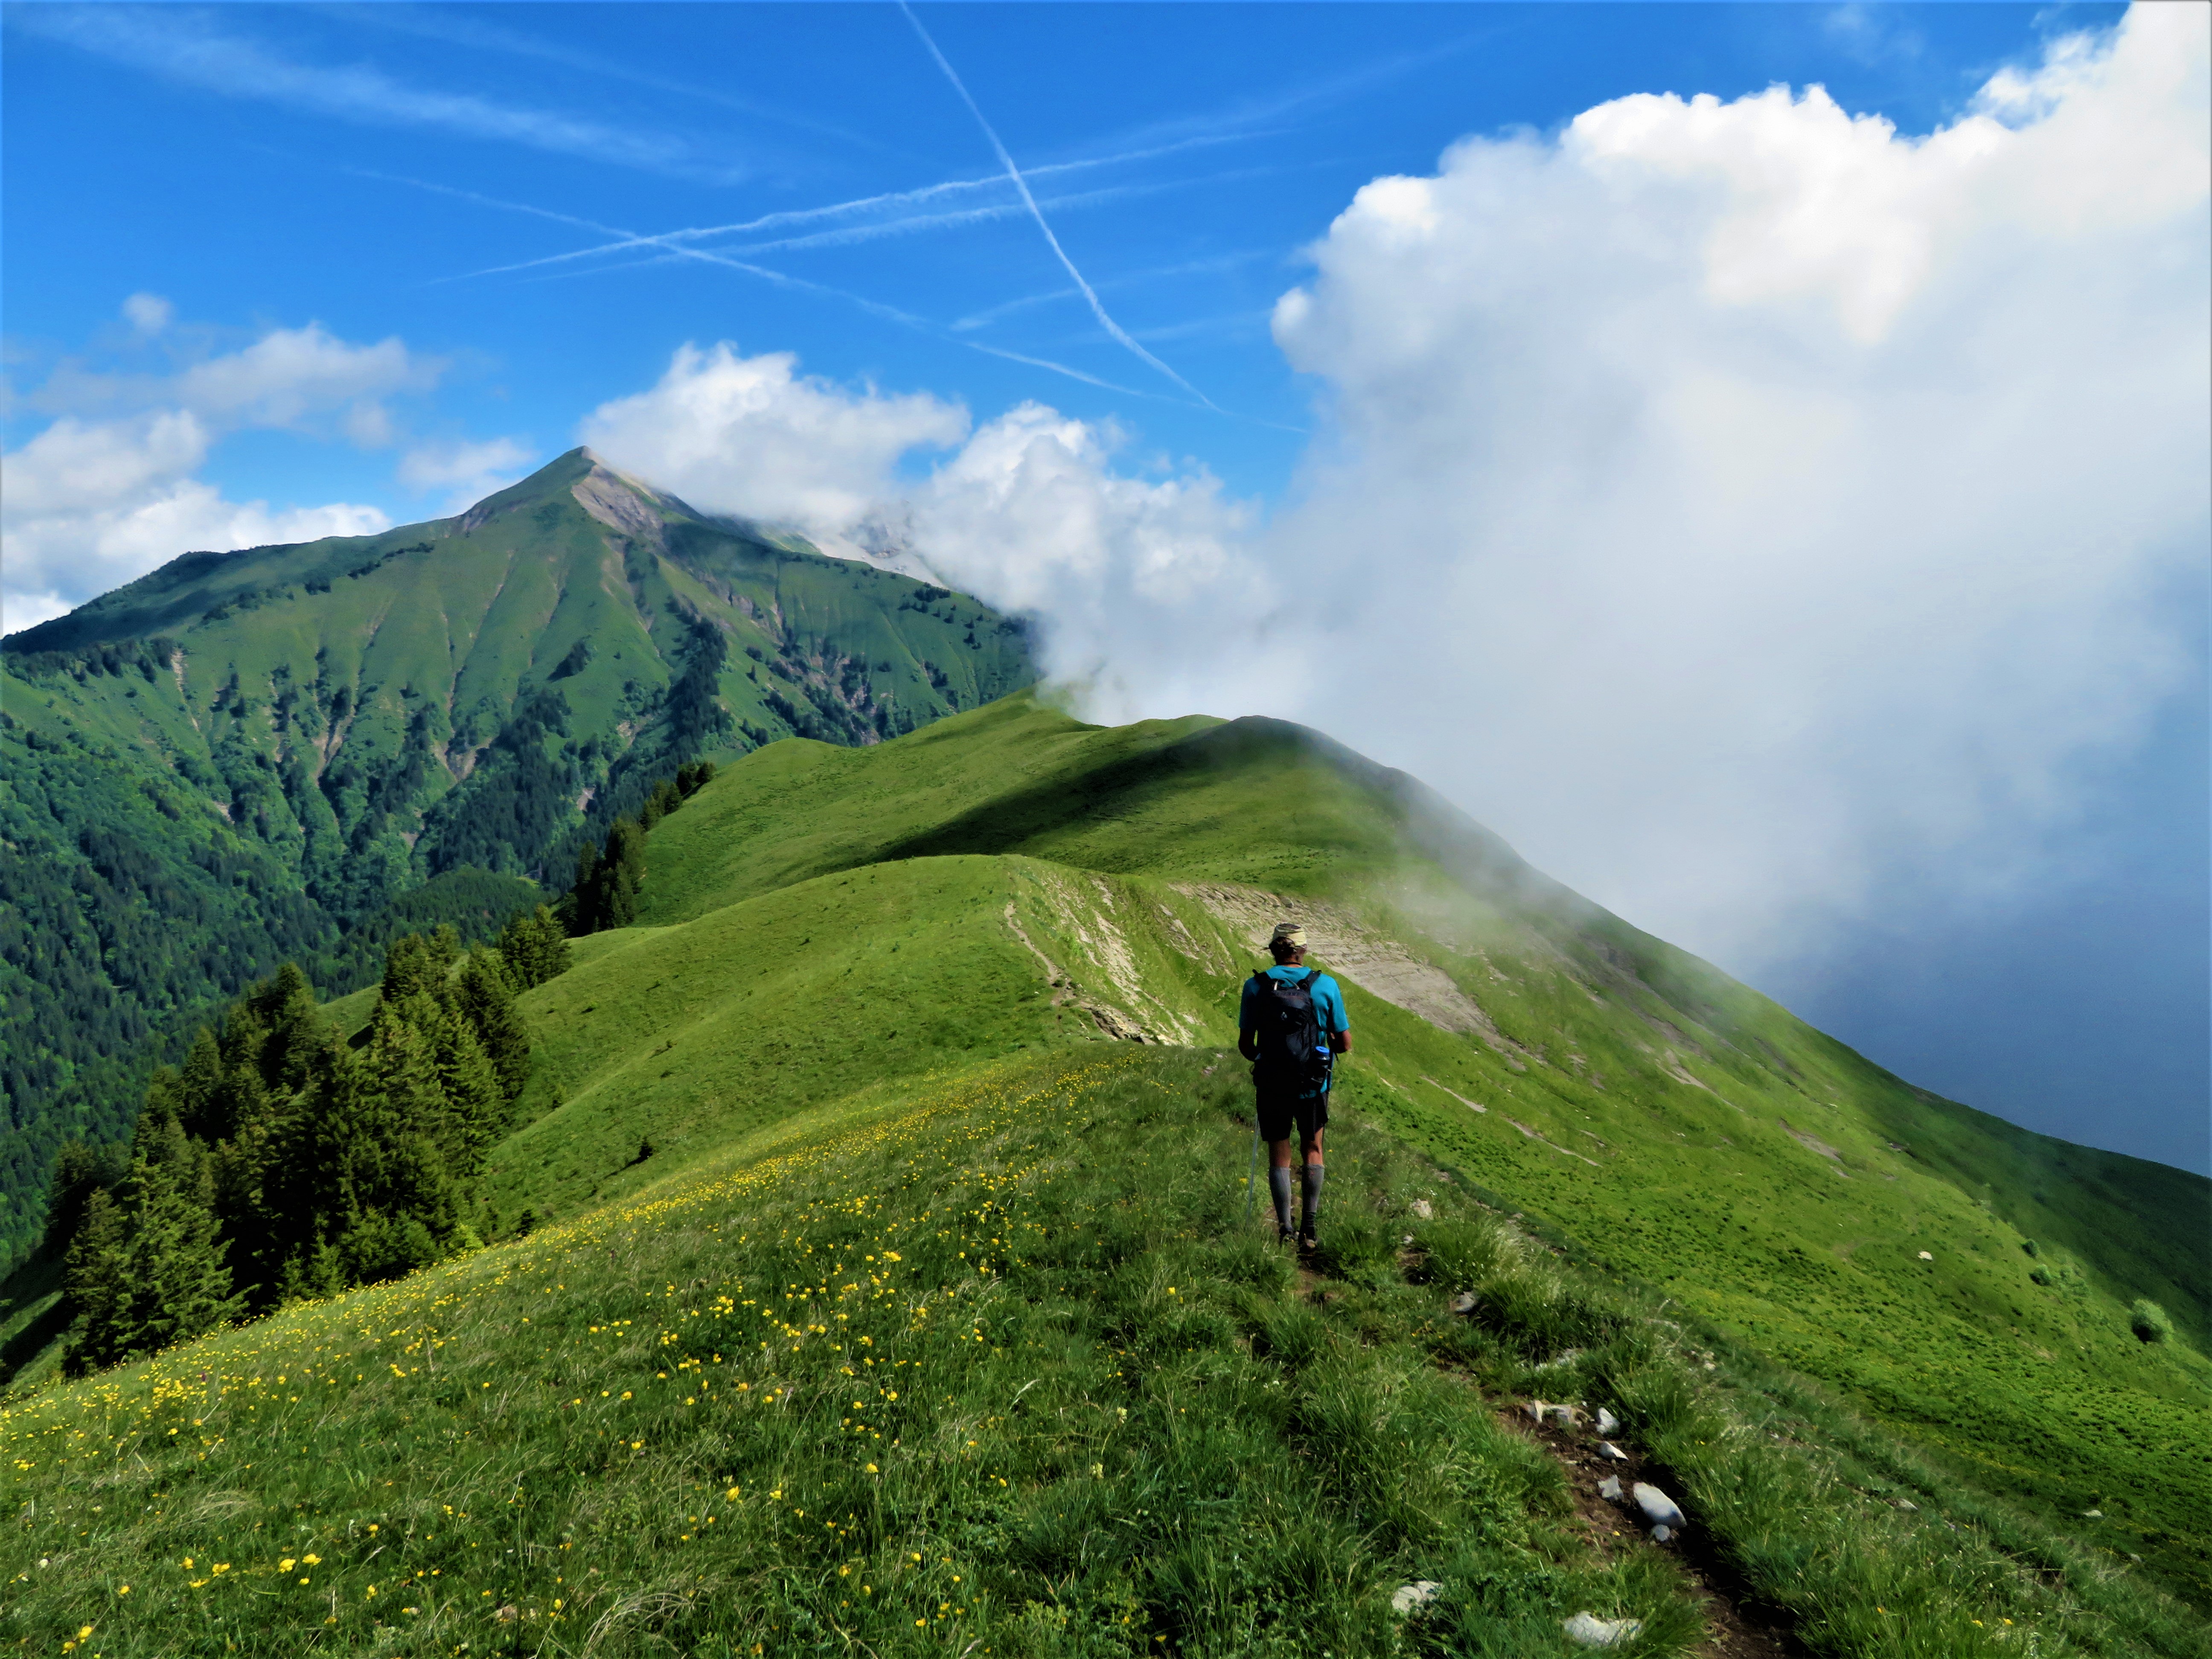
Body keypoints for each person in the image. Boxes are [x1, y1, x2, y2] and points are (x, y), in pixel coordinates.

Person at [1239, 922, 1351, 1248]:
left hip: (1273, 1083)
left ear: (1274, 950)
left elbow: (1246, 1046)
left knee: (1279, 1153)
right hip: (1314, 1084)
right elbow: (1344, 1044)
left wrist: (1268, 1058)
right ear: (1303, 951)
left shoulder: (1256, 986)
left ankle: (1285, 1230)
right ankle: (1310, 1229)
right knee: (1313, 1149)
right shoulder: (1325, 986)